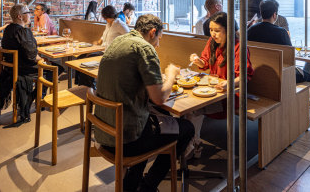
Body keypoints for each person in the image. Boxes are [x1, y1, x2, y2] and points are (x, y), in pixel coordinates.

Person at [94, 14, 194, 192]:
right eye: (159, 39)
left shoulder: (118, 42)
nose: (158, 45)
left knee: (154, 120)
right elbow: (159, 98)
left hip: (104, 132)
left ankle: (131, 185)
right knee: (186, 128)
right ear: (153, 32)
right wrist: (171, 74)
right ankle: (148, 186)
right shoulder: (145, 49)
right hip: (127, 140)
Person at [187, 12, 254, 159]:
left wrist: (228, 83)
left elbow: (244, 76)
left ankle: (192, 146)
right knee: (188, 108)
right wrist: (198, 61)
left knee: (193, 111)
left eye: (217, 31)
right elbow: (205, 62)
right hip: (213, 90)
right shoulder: (212, 42)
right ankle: (192, 144)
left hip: (229, 94)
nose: (213, 34)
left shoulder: (238, 47)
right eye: (211, 30)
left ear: (228, 30)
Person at [0, 4, 44, 124]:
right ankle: (32, 100)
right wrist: (43, 61)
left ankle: (32, 100)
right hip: (23, 69)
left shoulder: (8, 29)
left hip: (10, 69)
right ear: (20, 16)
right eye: (27, 12)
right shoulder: (23, 31)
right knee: (55, 69)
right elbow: (32, 55)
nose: (30, 15)